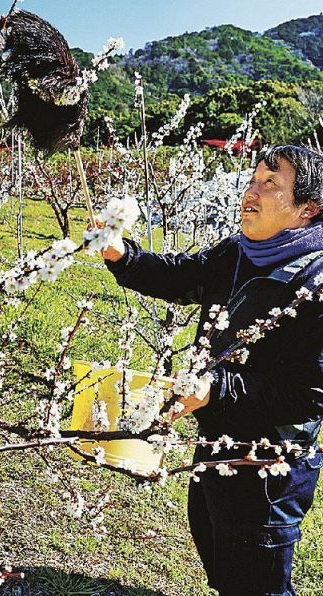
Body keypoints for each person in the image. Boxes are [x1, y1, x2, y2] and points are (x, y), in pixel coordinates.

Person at [101, 145, 323, 595]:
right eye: (253, 179)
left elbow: (311, 394)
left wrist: (216, 388)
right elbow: (184, 276)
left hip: (269, 462)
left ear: (307, 209)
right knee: (221, 560)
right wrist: (125, 256)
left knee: (257, 582)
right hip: (215, 440)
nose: (251, 192)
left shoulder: (314, 283)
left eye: (270, 184)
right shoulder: (239, 252)